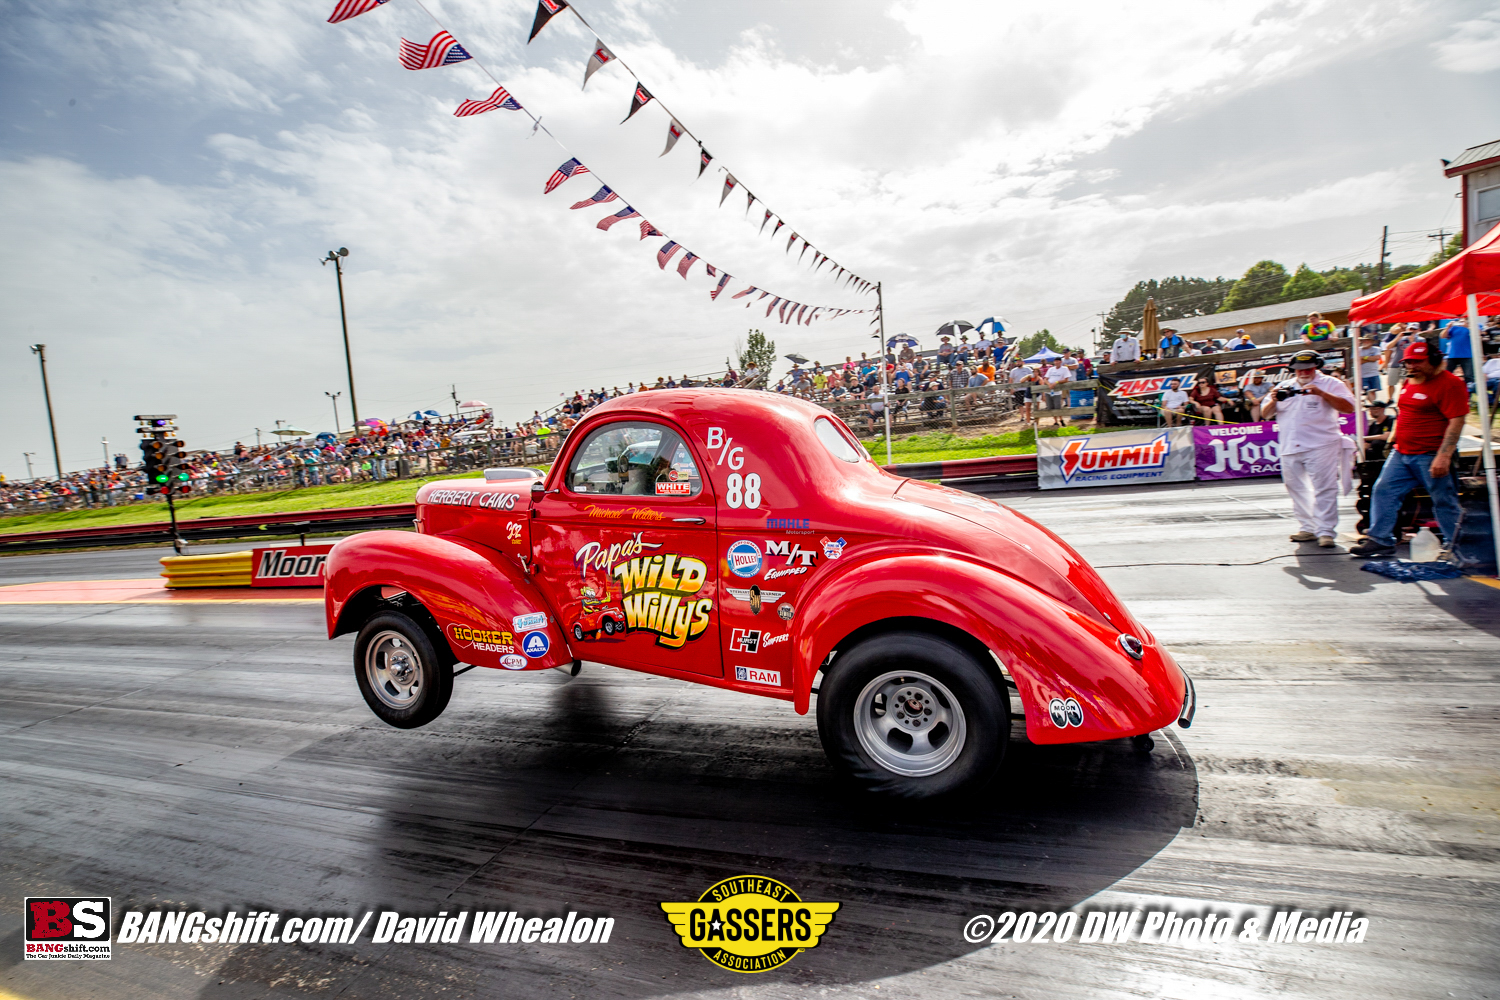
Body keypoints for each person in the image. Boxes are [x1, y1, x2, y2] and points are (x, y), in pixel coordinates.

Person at [1350, 340, 1469, 558]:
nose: (1412, 366)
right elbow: (1403, 412)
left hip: (1430, 453)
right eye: (1408, 362)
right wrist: (1392, 440)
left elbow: (1456, 421)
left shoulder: (1449, 384)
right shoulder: (1410, 380)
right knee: (1383, 490)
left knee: (1444, 500)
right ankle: (1381, 540)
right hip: (1402, 452)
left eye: (1417, 362)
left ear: (1434, 360)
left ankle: (1458, 547)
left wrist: (1444, 456)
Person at [1260, 349, 1355, 547]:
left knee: (1324, 487)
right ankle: (1307, 527)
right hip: (1290, 444)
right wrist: (1275, 399)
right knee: (1295, 487)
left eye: (1308, 369)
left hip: (1321, 444)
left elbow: (1349, 407)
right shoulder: (1284, 386)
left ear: (1316, 367)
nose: (1303, 373)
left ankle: (1326, 531)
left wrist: (1321, 393)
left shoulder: (1331, 383)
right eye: (1299, 370)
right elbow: (1265, 413)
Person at [1440, 318, 1475, 390]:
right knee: (1446, 374)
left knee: (1469, 376)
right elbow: (1442, 336)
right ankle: (1444, 389)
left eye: (1463, 321)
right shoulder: (1453, 328)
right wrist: (1448, 327)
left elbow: (1478, 334)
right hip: (1453, 355)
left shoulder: (1471, 327)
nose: (1461, 323)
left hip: (1467, 355)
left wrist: (1468, 326)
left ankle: (1468, 393)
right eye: (1460, 321)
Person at [1042, 359, 1072, 427]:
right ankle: (1055, 421)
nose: (1056, 362)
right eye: (1055, 361)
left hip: (1057, 391)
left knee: (1058, 406)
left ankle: (1061, 419)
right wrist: (1049, 384)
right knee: (1050, 407)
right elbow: (1045, 379)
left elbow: (1066, 379)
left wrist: (1056, 382)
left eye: (1058, 361)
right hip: (1049, 390)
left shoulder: (1064, 369)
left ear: (1060, 362)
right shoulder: (1051, 369)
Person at [1357, 333, 1382, 404]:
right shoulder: (1358, 350)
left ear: (1371, 342)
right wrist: (1370, 358)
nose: (1365, 342)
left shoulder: (1376, 349)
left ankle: (1373, 405)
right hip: (1363, 375)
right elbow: (1357, 361)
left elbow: (1376, 358)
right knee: (1367, 391)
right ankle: (1374, 405)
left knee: (1373, 391)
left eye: (1367, 340)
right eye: (1364, 340)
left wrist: (1364, 357)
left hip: (1374, 374)